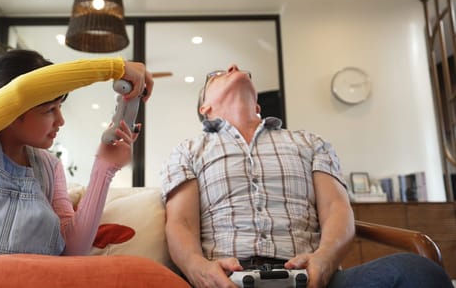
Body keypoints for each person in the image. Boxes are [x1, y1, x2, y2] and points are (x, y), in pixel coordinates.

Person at [160, 65, 452, 288]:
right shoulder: (188, 150)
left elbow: (337, 209)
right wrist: (197, 267)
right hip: (229, 280)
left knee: (418, 271)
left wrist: (325, 258)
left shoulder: (310, 142)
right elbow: (180, 222)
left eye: (243, 71)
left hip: (311, 278)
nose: (235, 67)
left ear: (258, 106)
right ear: (205, 108)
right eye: (220, 73)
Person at [0, 49, 153, 258]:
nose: (60, 120)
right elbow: (21, 91)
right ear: (12, 111)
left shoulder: (49, 166)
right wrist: (116, 68)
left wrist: (104, 168)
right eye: (49, 110)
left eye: (59, 108)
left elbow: (73, 249)